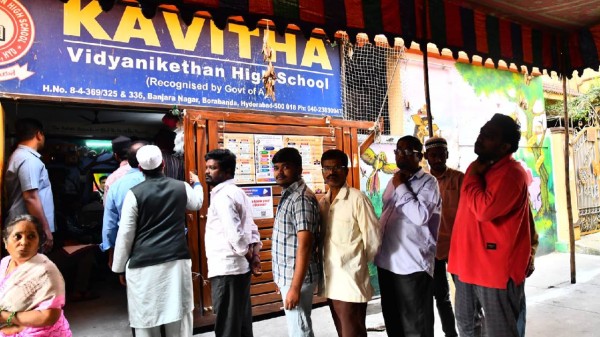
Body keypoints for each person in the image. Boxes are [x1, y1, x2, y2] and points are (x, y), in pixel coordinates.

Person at [448, 114, 532, 337]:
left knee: (499, 332)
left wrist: (473, 174)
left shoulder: (512, 174)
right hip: (465, 265)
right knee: (466, 328)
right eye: (482, 131)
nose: (481, 137)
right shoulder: (480, 168)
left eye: (489, 135)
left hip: (495, 272)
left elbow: (484, 210)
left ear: (505, 146)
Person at [111, 145, 204, 337]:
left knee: (146, 317)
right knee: (178, 313)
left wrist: (119, 267)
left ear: (141, 168)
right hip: (176, 259)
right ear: (163, 164)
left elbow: (126, 233)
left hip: (143, 264)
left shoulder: (134, 194)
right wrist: (197, 184)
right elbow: (197, 203)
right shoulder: (181, 187)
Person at [374, 135, 441, 337]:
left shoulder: (429, 183)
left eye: (406, 152)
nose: (400, 155)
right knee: (393, 322)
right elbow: (387, 211)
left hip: (411, 266)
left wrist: (401, 185)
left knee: (416, 327)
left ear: (419, 156)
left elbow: (419, 216)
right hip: (387, 262)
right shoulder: (394, 179)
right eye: (397, 151)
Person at [318, 149, 380, 337]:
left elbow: (373, 239)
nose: (331, 172)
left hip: (350, 280)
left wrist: (357, 264)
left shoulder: (357, 199)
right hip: (330, 281)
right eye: (327, 168)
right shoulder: (323, 204)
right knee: (342, 332)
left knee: (353, 333)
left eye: (337, 167)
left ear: (346, 170)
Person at [204, 149, 262, 337]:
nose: (207, 171)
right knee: (241, 322)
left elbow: (235, 235)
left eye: (212, 168)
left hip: (227, 268)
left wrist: (248, 254)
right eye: (207, 167)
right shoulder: (237, 192)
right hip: (239, 268)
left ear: (227, 172)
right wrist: (254, 256)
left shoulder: (223, 196)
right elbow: (251, 228)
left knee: (227, 325)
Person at [271, 147, 321, 337]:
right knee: (297, 327)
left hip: (297, 278)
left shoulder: (300, 198)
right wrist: (281, 278)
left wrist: (294, 287)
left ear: (299, 169)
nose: (279, 172)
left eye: (286, 167)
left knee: (300, 330)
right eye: (276, 168)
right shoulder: (289, 194)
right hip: (289, 275)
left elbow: (305, 245)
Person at [0, 214, 72, 336]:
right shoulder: (5, 263)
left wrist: (6, 316)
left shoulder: (46, 270)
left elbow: (49, 316)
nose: (24, 242)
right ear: (6, 242)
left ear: (38, 243)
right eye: (17, 236)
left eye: (31, 236)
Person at [424, 136, 463, 337]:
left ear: (447, 155)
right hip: (433, 250)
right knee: (441, 296)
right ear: (426, 157)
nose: (438, 159)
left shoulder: (459, 178)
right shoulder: (422, 182)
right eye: (433, 155)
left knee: (466, 295)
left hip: (458, 248)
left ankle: (474, 330)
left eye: (441, 154)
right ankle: (451, 334)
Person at [4, 118, 54, 253]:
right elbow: (30, 197)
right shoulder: (28, 159)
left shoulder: (20, 156)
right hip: (27, 229)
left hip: (25, 227)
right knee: (30, 271)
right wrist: (45, 229)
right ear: (39, 135)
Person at [100, 140, 148, 266]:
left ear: (115, 155)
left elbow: (110, 223)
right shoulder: (158, 178)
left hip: (128, 245)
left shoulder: (113, 181)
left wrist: (112, 254)